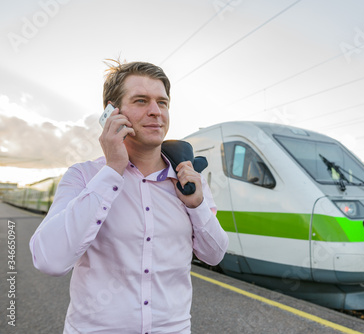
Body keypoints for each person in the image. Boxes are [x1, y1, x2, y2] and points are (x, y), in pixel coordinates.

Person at [29, 60, 229, 334]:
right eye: (140, 101)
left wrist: (198, 206)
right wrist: (112, 170)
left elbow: (215, 255)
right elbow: (49, 260)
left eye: (163, 102)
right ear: (111, 112)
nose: (155, 112)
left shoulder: (190, 181)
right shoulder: (84, 176)